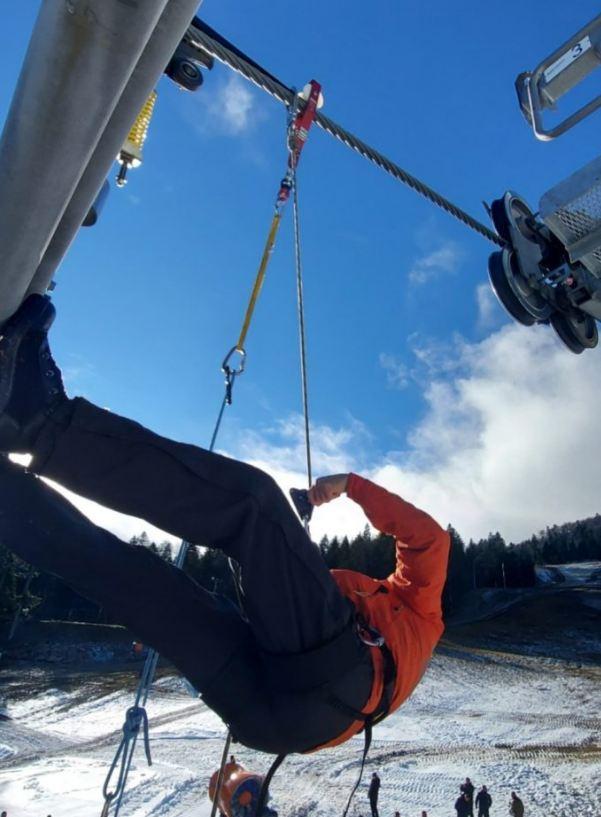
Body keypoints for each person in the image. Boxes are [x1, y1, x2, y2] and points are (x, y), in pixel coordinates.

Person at [0, 294, 450, 756]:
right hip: (277, 721)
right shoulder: (380, 626)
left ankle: (37, 420)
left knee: (253, 508)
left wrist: (351, 485)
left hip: (331, 682)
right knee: (147, 589)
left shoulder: (420, 613)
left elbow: (429, 540)